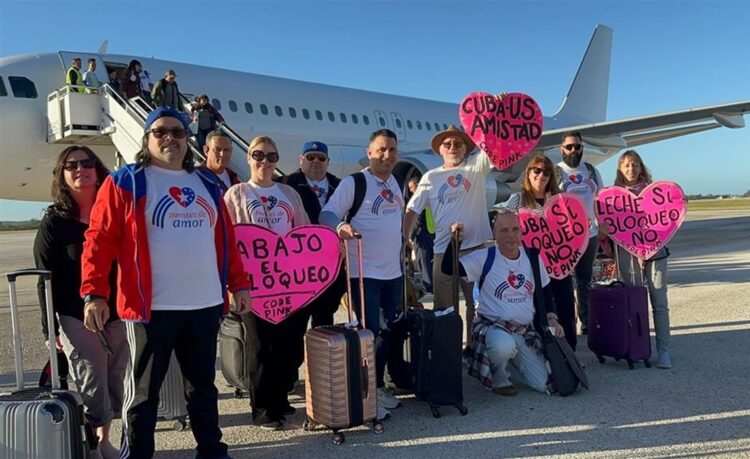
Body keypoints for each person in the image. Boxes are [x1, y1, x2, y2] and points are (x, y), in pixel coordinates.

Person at [80, 106, 251, 459]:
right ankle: (138, 454)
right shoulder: (127, 182)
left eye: (177, 132)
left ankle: (211, 450)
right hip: (152, 308)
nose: (169, 138)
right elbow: (99, 240)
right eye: (160, 132)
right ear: (147, 139)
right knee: (143, 392)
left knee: (203, 387)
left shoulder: (206, 183)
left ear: (188, 140)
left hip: (203, 304)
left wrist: (239, 283)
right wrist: (95, 292)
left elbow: (226, 240)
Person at [33, 146, 127, 459]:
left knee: (116, 377)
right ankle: (96, 444)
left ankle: (105, 437)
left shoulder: (116, 211)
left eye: (87, 163)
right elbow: (44, 278)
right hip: (75, 314)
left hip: (117, 310)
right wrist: (50, 329)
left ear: (97, 169)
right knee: (92, 376)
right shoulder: (55, 222)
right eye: (70, 165)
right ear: (61, 175)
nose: (80, 169)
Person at [223, 136, 311, 431]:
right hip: (252, 285)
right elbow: (226, 239)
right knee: (260, 346)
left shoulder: (289, 193)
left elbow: (303, 232)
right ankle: (262, 408)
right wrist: (231, 283)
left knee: (287, 343)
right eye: (258, 155)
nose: (264, 162)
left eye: (271, 156)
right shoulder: (236, 194)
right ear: (248, 157)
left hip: (287, 282)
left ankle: (280, 398)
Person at [320, 128, 405, 421]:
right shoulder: (354, 183)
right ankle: (365, 394)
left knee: (386, 333)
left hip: (392, 274)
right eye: (381, 149)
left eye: (392, 150)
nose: (387, 155)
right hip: (364, 274)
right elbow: (327, 214)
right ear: (369, 153)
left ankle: (377, 386)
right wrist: (340, 228)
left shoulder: (395, 182)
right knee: (369, 334)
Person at [442, 209, 563, 395]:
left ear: (521, 232)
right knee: (502, 346)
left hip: (524, 331)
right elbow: (449, 269)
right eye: (504, 230)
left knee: (544, 384)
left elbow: (546, 293)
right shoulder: (485, 257)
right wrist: (454, 242)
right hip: (494, 328)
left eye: (515, 229)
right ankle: (499, 378)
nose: (510, 235)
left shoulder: (532, 257)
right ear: (494, 233)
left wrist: (552, 319)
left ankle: (514, 362)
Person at [403, 124, 493, 351]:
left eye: (458, 143)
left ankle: (473, 349)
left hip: (475, 250)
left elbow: (493, 146)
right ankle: (448, 352)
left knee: (477, 304)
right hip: (443, 251)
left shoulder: (476, 167)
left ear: (466, 149)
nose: (453, 147)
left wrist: (492, 115)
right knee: (444, 307)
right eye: (448, 144)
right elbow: (412, 210)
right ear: (440, 150)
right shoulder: (431, 177)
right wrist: (404, 238)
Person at [506, 155, 578, 350]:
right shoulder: (517, 201)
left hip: (559, 263)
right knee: (539, 309)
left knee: (565, 308)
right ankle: (543, 350)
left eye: (546, 172)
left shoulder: (560, 200)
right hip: (531, 267)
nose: (541, 175)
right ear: (528, 173)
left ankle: (569, 352)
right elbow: (508, 230)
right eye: (536, 170)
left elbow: (572, 231)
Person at [612, 150, 673, 369]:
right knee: (634, 304)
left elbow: (668, 218)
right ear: (620, 168)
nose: (631, 169)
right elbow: (610, 228)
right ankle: (637, 347)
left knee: (659, 302)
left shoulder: (655, 192)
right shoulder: (613, 196)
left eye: (635, 164)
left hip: (656, 252)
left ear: (641, 167)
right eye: (627, 165)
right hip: (628, 255)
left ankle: (663, 351)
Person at [276, 140, 346, 327]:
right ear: (301, 159)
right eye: (310, 157)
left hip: (331, 266)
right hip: (298, 267)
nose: (316, 161)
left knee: (324, 321)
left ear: (328, 161)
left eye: (321, 158)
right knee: (295, 324)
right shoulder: (285, 185)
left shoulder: (340, 187)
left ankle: (322, 355)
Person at [555, 131, 604, 335]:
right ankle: (566, 324)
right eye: (569, 147)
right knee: (563, 282)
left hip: (589, 235)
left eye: (577, 146)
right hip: (563, 237)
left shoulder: (592, 171)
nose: (573, 150)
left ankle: (586, 322)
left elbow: (601, 199)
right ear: (561, 149)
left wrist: (602, 225)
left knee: (584, 280)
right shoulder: (556, 172)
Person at [406, 176, 435, 293]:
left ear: (418, 185)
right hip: (431, 232)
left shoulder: (418, 199)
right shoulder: (430, 197)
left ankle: (428, 285)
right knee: (429, 260)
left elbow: (416, 220)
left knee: (423, 260)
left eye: (412, 187)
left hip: (422, 234)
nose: (411, 190)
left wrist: (410, 236)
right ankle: (431, 284)